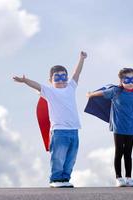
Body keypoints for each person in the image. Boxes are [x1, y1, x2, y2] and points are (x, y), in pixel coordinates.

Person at [13, 51, 87, 188]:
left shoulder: (71, 87)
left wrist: (81, 59)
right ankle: (55, 179)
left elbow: (77, 73)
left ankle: (65, 179)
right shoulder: (50, 91)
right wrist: (25, 81)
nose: (61, 80)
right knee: (58, 157)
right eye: (57, 77)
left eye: (64, 77)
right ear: (50, 81)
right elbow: (37, 86)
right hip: (59, 131)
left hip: (74, 130)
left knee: (71, 158)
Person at [86, 68, 133, 187]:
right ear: (121, 80)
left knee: (128, 153)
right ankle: (119, 178)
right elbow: (102, 93)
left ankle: (129, 178)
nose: (130, 82)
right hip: (118, 127)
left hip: (131, 128)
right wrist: (91, 94)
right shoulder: (116, 91)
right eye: (126, 79)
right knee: (119, 152)